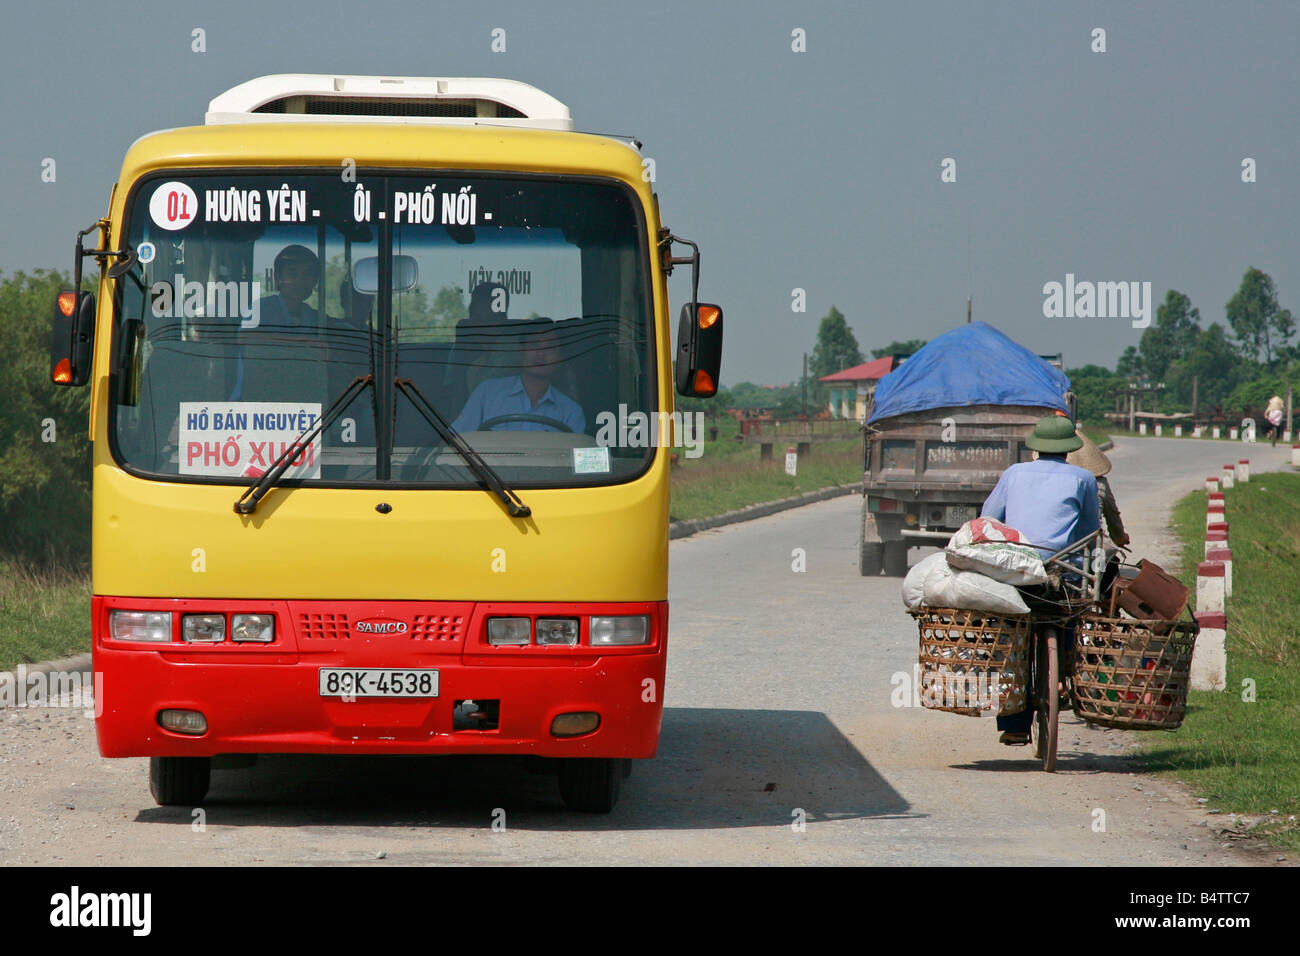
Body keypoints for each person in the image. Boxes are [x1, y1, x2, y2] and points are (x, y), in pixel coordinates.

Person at [980, 413, 1100, 746]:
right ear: (1069, 450)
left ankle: (1015, 723)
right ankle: (1068, 676)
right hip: (1064, 572)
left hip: (1018, 569)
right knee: (1073, 617)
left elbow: (988, 516)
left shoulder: (1014, 473)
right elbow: (1091, 530)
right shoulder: (1083, 478)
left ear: (1036, 447)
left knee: (1011, 640)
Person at [451, 321, 585, 433]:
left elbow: (577, 461)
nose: (540, 354)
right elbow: (455, 441)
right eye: (533, 345)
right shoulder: (487, 392)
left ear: (559, 358)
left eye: (549, 348)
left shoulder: (571, 411)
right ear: (521, 352)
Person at [1067, 429, 1129, 547]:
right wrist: (1120, 537)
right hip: (1088, 545)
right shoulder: (1099, 483)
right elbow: (1112, 515)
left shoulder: (1047, 480)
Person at [258, 244, 320, 330]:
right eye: (292, 273)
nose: (300, 280)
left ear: (315, 281)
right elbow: (245, 338)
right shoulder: (262, 309)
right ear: (278, 278)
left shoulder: (313, 316)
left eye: (307, 274)